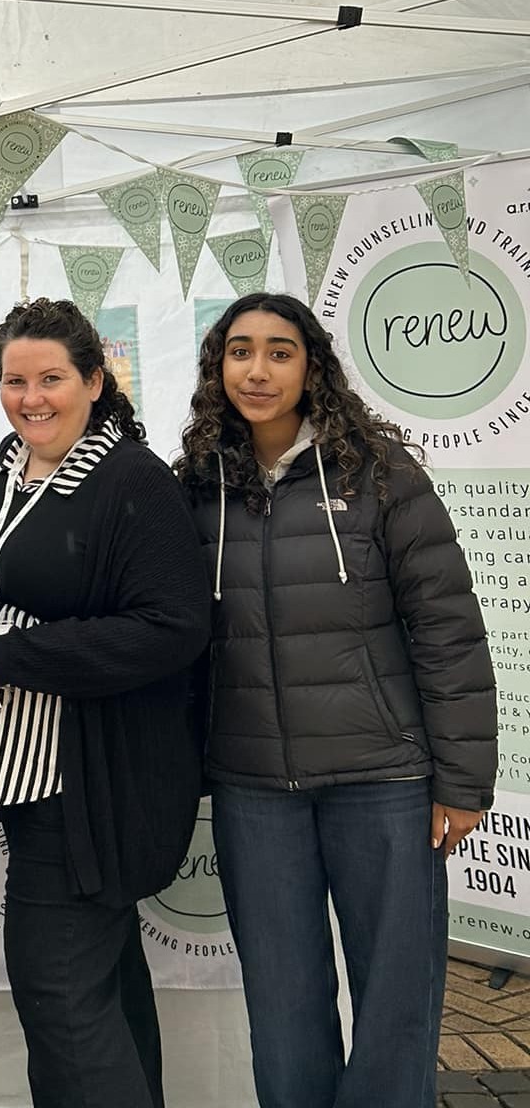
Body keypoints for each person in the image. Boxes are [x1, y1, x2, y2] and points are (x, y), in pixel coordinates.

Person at [176, 291, 497, 1108]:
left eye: (280, 351)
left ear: (312, 365)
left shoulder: (380, 473)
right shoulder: (197, 487)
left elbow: (448, 629)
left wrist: (462, 781)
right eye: (240, 350)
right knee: (282, 1006)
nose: (258, 368)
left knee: (397, 1000)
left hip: (382, 780)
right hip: (255, 789)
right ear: (218, 366)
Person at [0, 298, 210, 1108]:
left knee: (57, 991)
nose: (32, 397)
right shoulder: (14, 459)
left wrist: (15, 653)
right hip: (27, 772)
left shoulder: (133, 481)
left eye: (52, 378)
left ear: (95, 380)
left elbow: (172, 629)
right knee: (101, 980)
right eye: (14, 380)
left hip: (88, 781)